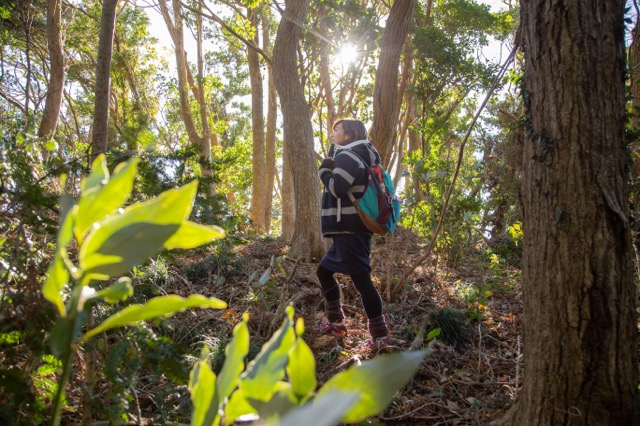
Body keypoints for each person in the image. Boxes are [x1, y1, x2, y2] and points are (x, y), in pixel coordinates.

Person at [316, 118, 390, 349]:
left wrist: (324, 170)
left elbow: (338, 188)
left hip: (351, 228)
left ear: (348, 135)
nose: (332, 133)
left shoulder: (348, 156)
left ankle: (380, 335)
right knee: (324, 271)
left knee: (362, 280)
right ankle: (337, 322)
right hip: (346, 228)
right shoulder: (352, 155)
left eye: (336, 130)